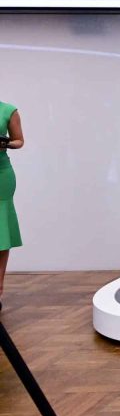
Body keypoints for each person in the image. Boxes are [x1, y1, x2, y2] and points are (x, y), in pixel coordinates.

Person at [0, 100, 25, 311]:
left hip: (1, 175)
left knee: (2, 233)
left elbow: (19, 141)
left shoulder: (8, 110)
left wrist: (5, 143)